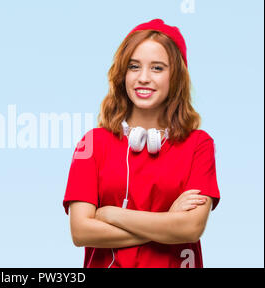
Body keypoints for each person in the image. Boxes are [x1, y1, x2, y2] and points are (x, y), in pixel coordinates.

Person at [62, 19, 221, 268]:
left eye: (157, 68)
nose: (143, 78)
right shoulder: (92, 143)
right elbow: (81, 232)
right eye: (134, 67)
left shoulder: (199, 145)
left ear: (176, 77)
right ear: (122, 74)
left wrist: (111, 215)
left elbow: (191, 228)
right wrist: (168, 222)